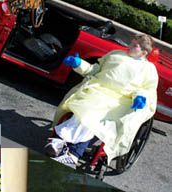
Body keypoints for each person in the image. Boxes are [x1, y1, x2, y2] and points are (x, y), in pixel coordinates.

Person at [45, 35, 158, 168]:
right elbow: (95, 70)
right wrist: (79, 64)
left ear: (144, 52)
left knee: (95, 120)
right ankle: (66, 147)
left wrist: (140, 97)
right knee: (83, 110)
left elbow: (147, 89)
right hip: (98, 90)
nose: (129, 46)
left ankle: (70, 150)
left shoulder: (149, 69)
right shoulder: (115, 54)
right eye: (131, 43)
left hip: (120, 101)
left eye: (134, 45)